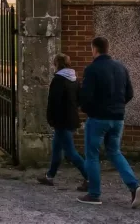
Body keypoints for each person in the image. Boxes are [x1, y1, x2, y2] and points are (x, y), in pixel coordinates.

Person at [78, 36, 140, 208]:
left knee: (92, 155)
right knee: (115, 152)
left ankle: (94, 194)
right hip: (118, 118)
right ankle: (134, 187)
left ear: (95, 49)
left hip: (98, 119)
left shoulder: (92, 69)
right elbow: (129, 93)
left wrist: (87, 109)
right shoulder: (121, 68)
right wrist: (117, 107)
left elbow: (85, 96)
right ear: (108, 48)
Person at [38, 54, 88, 190]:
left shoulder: (58, 80)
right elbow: (79, 99)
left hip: (61, 120)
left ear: (57, 64)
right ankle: (50, 176)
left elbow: (53, 102)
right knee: (56, 148)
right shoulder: (75, 80)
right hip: (71, 118)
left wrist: (50, 118)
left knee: (70, 152)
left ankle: (90, 177)